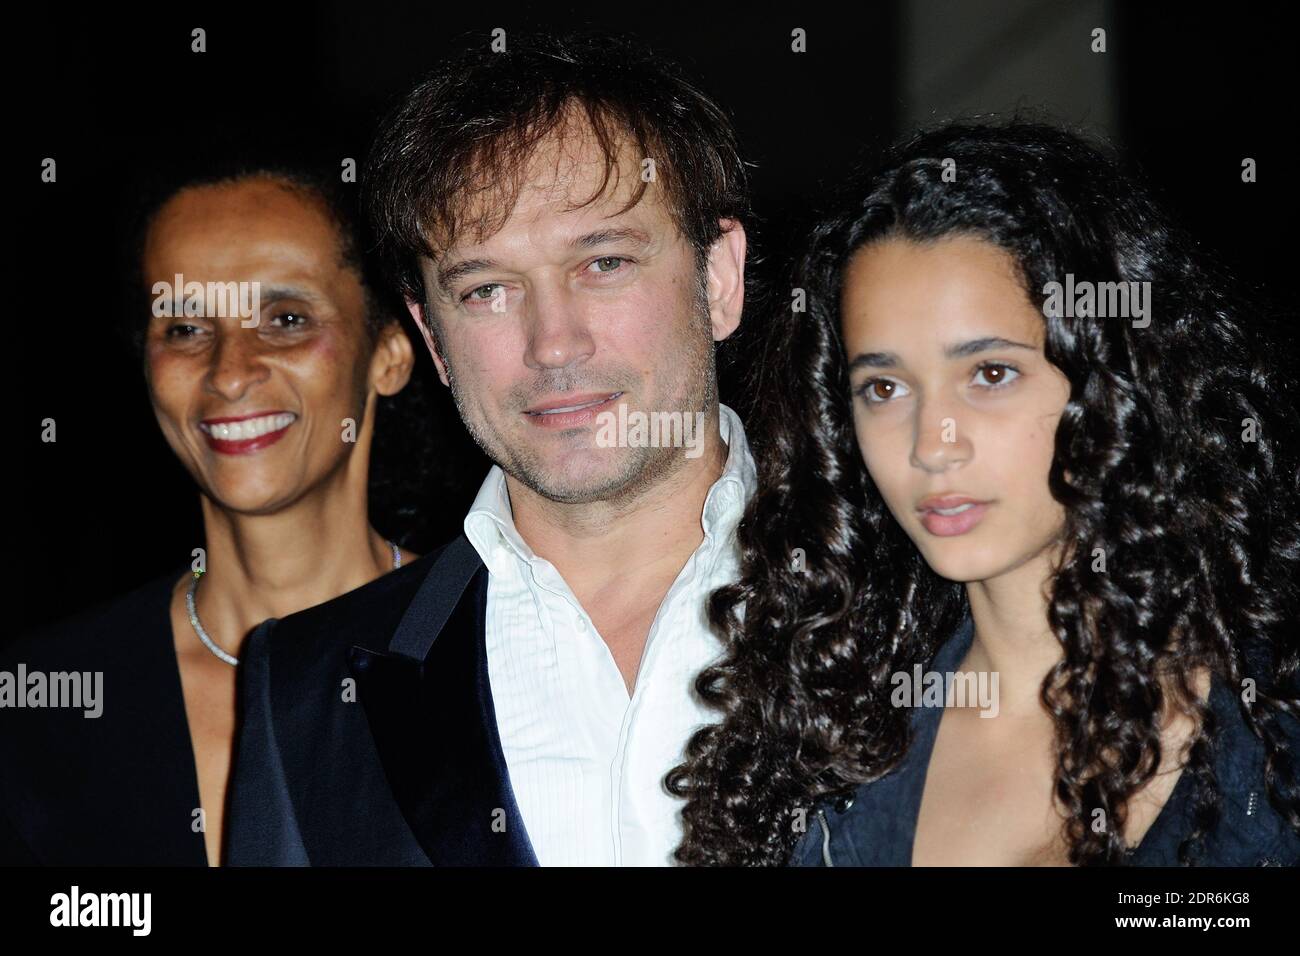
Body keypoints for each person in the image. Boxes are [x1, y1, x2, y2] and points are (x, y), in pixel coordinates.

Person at [668, 121, 1300, 866]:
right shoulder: (823, 751)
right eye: (885, 387)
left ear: (1112, 381)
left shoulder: (1271, 728)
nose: (932, 443)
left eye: (990, 374)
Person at [225, 30, 756, 866]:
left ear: (718, 280)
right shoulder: (307, 693)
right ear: (433, 341)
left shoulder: (924, 612)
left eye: (604, 262)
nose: (553, 344)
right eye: (488, 290)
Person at [0, 161, 429, 865]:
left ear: (390, 351)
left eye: (286, 320)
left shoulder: (491, 650)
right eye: (186, 328)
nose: (230, 371)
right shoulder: (47, 706)